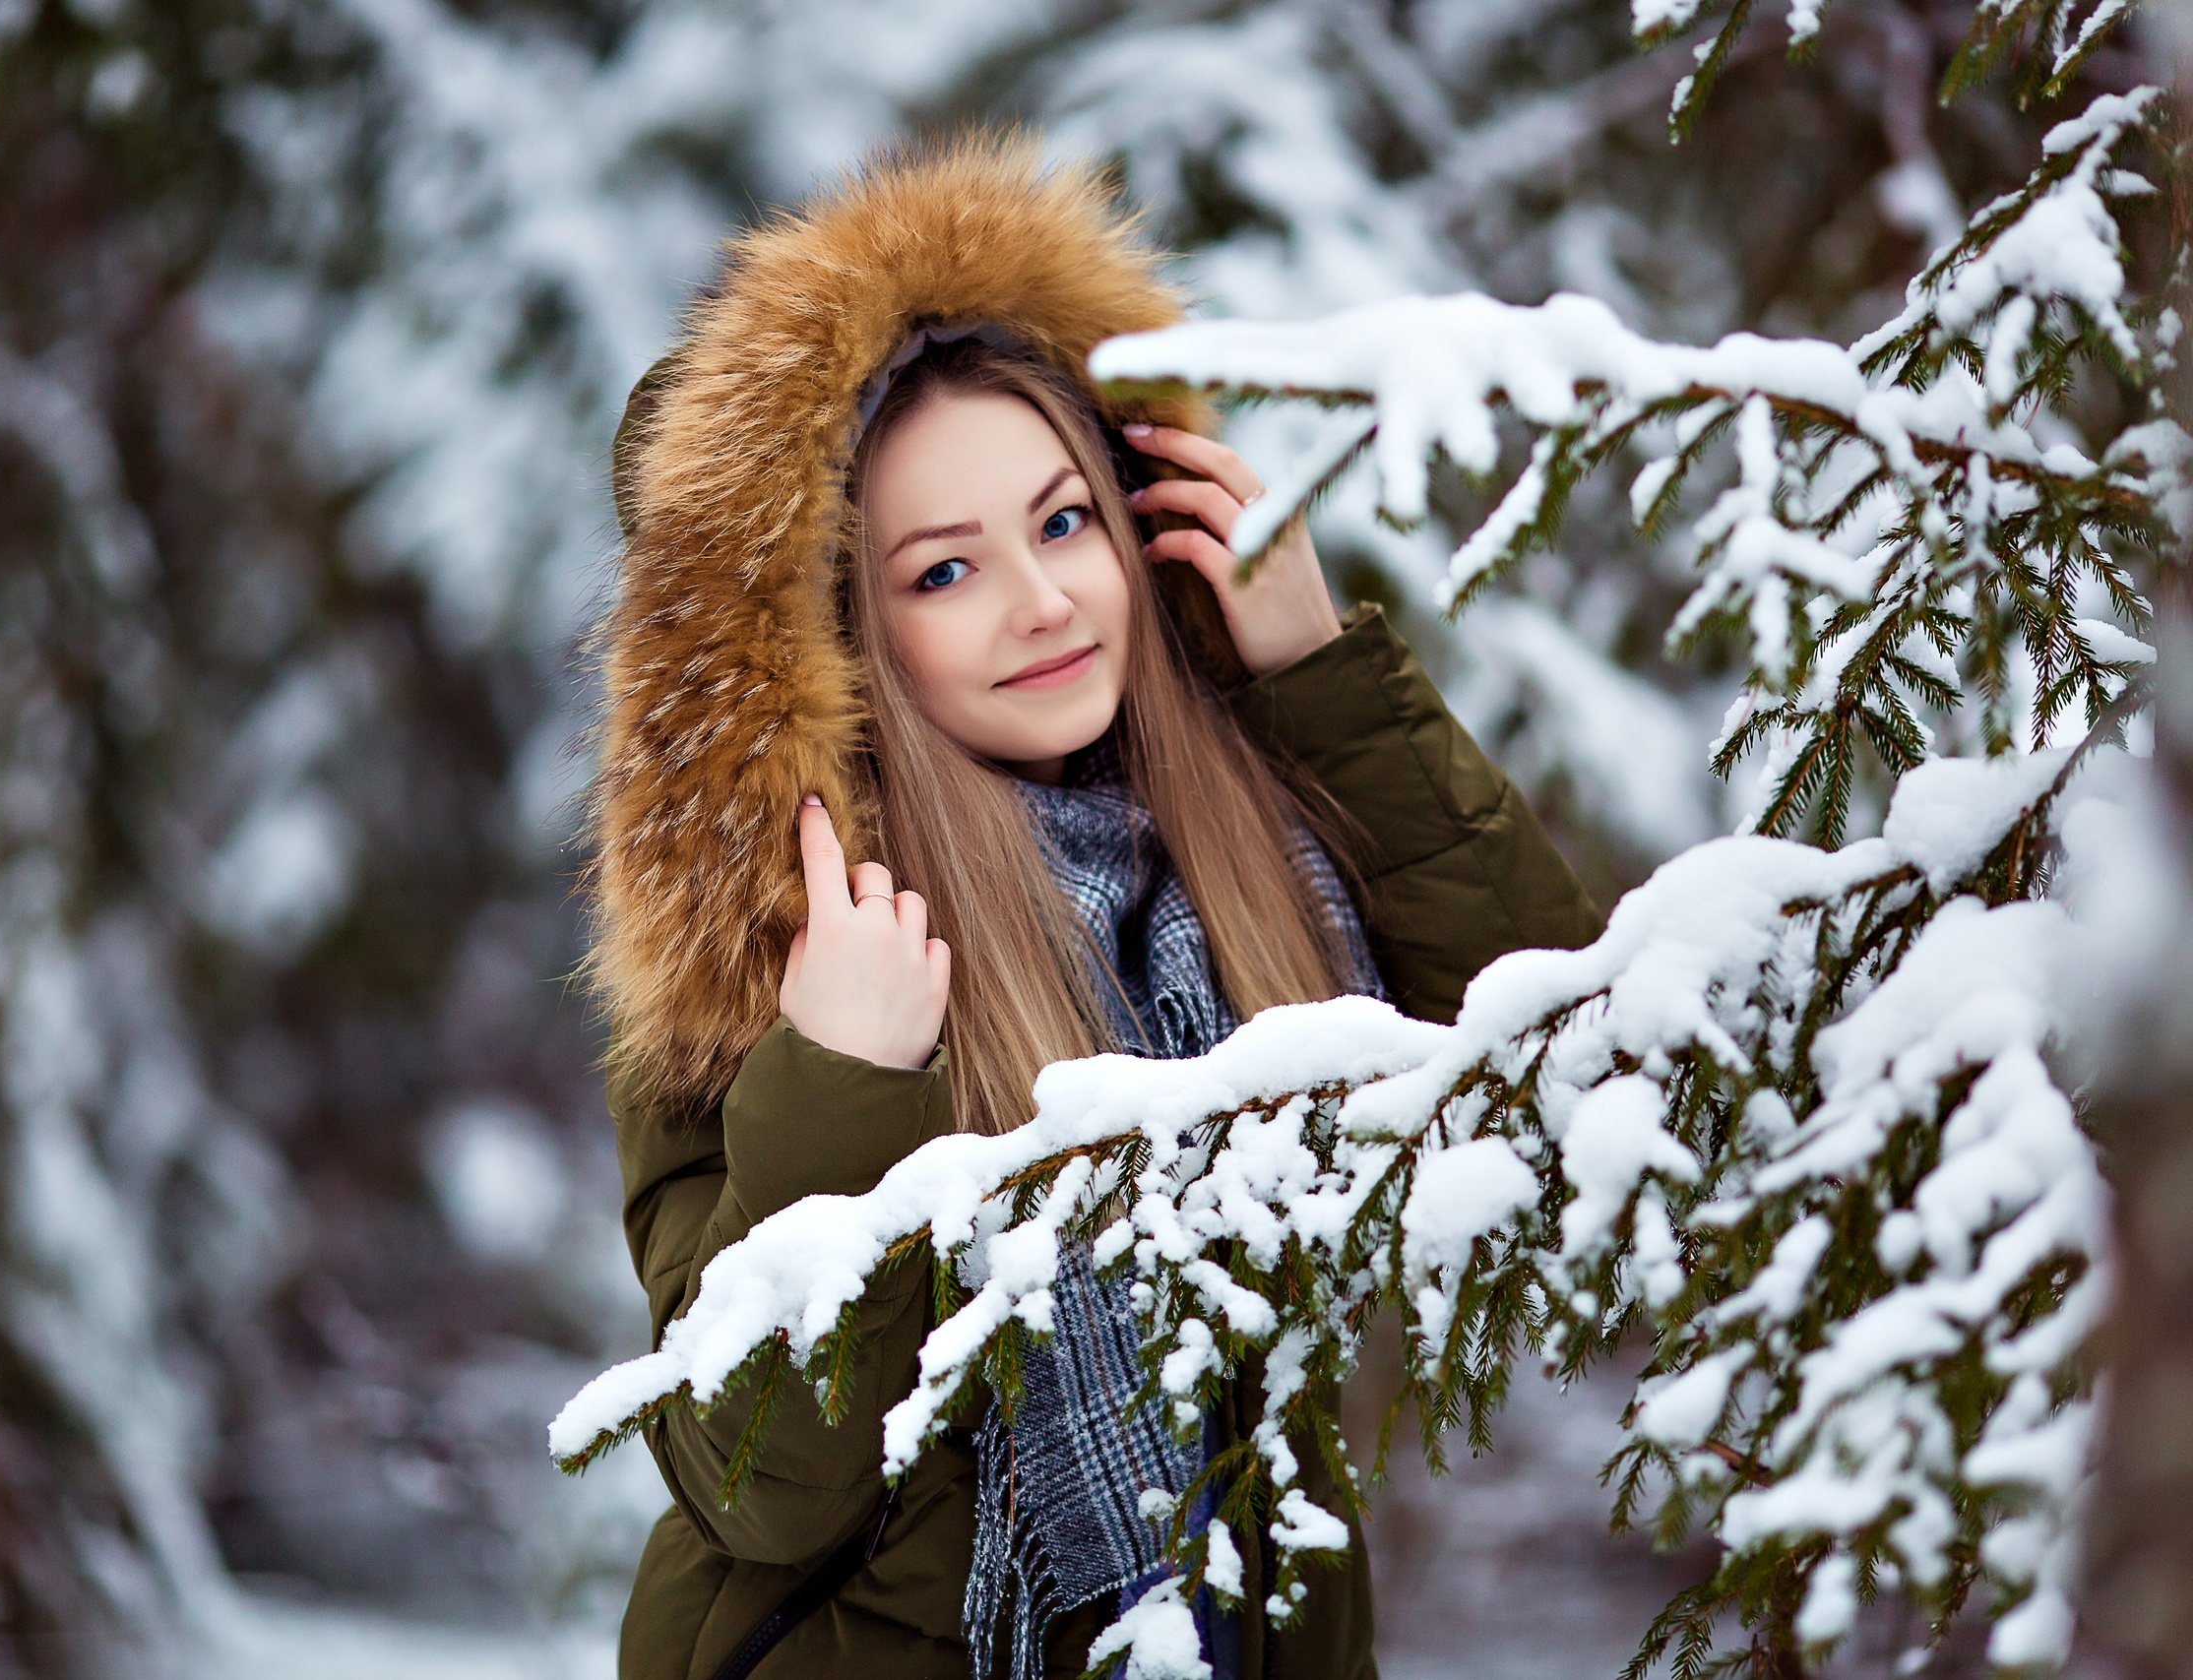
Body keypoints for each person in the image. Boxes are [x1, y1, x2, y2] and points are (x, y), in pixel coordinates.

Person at [588, 138, 1602, 1680]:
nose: (1046, 600)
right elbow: (760, 1484)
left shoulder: (1247, 842)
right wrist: (841, 1085)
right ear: (833, 639)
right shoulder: (784, 955)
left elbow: (1572, 1069)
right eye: (945, 573)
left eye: (1064, 522)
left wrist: (1320, 673)